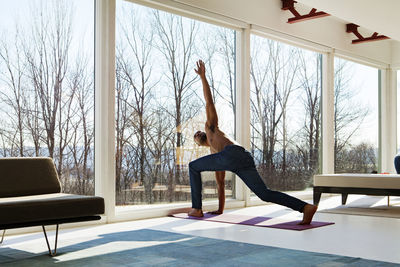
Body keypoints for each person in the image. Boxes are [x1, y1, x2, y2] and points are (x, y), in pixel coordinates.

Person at [188, 60, 318, 225]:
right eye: (196, 136)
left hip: (233, 153)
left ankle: (196, 209)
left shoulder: (211, 129)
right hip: (243, 158)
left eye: (198, 132)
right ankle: (305, 207)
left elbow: (209, 103)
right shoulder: (215, 157)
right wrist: (220, 210)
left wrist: (203, 77)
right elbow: (220, 185)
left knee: (193, 166)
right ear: (199, 144)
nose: (198, 133)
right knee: (264, 194)